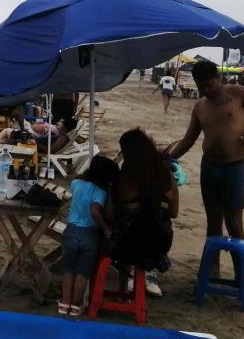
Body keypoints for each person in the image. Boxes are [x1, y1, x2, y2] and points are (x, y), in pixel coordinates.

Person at [165, 60, 244, 251]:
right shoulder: (200, 106)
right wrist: (168, 159)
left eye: (209, 84)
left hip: (233, 167)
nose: (206, 90)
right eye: (201, 86)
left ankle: (240, 274)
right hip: (209, 168)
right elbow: (188, 140)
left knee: (234, 224)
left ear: (218, 78)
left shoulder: (236, 92)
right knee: (213, 223)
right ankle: (212, 270)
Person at [108, 128, 179, 297]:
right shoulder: (164, 173)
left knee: (118, 230)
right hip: (160, 241)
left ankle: (122, 287)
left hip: (127, 244)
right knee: (144, 226)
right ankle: (147, 274)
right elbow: (174, 212)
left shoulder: (127, 176)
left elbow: (114, 212)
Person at [59, 155, 119, 316]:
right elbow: (95, 211)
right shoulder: (101, 191)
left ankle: (65, 303)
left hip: (71, 230)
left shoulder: (77, 184)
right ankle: (76, 305)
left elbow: (73, 182)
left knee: (68, 270)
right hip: (90, 234)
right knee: (83, 272)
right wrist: (106, 228)